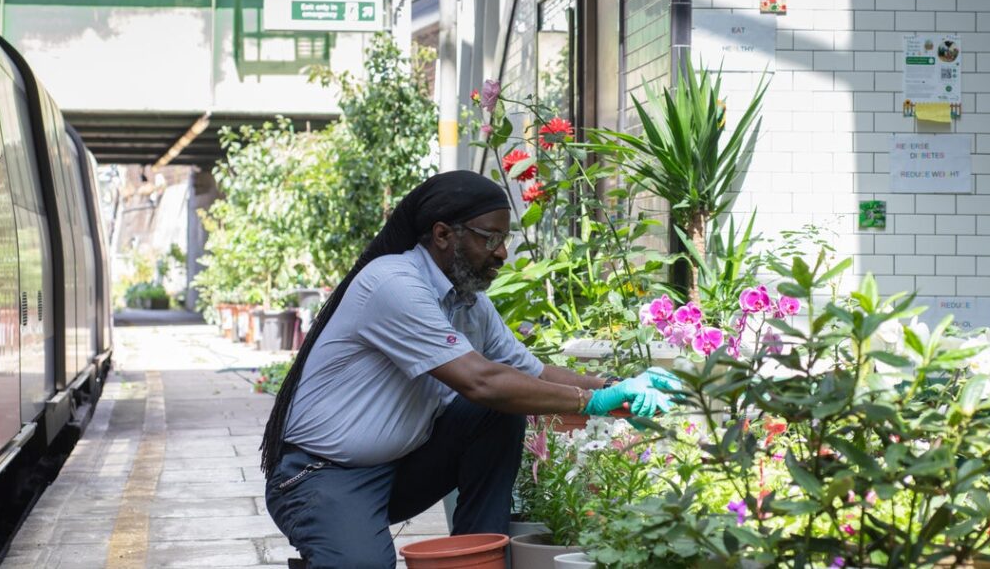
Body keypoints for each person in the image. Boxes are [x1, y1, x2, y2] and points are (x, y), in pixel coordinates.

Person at [260, 170, 677, 568]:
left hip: (397, 469)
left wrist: (618, 386)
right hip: (321, 476)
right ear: (443, 234)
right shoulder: (394, 284)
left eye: (504, 238)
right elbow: (481, 381)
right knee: (363, 563)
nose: (502, 252)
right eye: (489, 238)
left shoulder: (468, 302)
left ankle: (475, 556)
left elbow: (531, 372)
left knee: (496, 414)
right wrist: (594, 402)